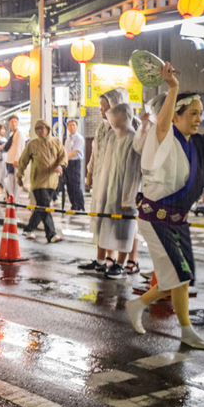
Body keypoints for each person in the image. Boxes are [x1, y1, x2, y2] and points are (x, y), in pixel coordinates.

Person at [125, 64, 204, 350]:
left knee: (181, 276)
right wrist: (173, 88)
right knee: (178, 275)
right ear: (176, 114)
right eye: (193, 113)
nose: (198, 119)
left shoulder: (199, 145)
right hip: (155, 218)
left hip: (177, 219)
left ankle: (141, 307)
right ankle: (185, 330)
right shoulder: (162, 138)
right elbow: (164, 123)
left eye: (200, 114)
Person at [79, 87, 128, 273]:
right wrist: (90, 172)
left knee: (119, 223)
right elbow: (95, 154)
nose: (101, 110)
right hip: (101, 181)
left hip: (118, 183)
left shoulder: (125, 128)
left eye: (104, 106)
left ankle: (120, 263)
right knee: (100, 221)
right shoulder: (102, 127)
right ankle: (101, 260)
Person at [94, 104, 142, 279]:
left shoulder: (132, 139)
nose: (112, 121)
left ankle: (121, 263)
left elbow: (134, 173)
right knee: (111, 228)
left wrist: (128, 199)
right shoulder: (114, 138)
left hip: (125, 194)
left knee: (125, 230)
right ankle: (111, 261)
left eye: (116, 117)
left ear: (124, 117)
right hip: (111, 191)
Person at [17, 119, 66, 243]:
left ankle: (28, 229)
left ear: (48, 129)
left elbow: (63, 157)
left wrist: (61, 165)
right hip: (38, 181)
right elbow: (23, 160)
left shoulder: (56, 142)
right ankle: (51, 234)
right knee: (45, 206)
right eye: (38, 128)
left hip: (53, 182)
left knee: (41, 207)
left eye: (43, 127)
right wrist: (19, 175)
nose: (41, 130)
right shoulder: (32, 144)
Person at [63, 119, 85, 211]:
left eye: (73, 125)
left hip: (75, 163)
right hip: (67, 163)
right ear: (67, 127)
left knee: (75, 185)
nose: (71, 127)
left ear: (77, 127)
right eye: (70, 125)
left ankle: (80, 206)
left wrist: (64, 160)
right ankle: (73, 205)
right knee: (69, 185)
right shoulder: (67, 139)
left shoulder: (79, 138)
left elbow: (75, 152)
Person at [4, 115, 25, 201]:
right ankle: (11, 197)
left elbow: (18, 147)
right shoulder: (12, 134)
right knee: (10, 180)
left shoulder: (19, 133)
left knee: (15, 181)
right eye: (12, 122)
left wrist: (16, 160)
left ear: (18, 122)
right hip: (9, 160)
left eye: (15, 121)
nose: (13, 123)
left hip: (14, 161)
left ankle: (14, 198)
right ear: (9, 123)